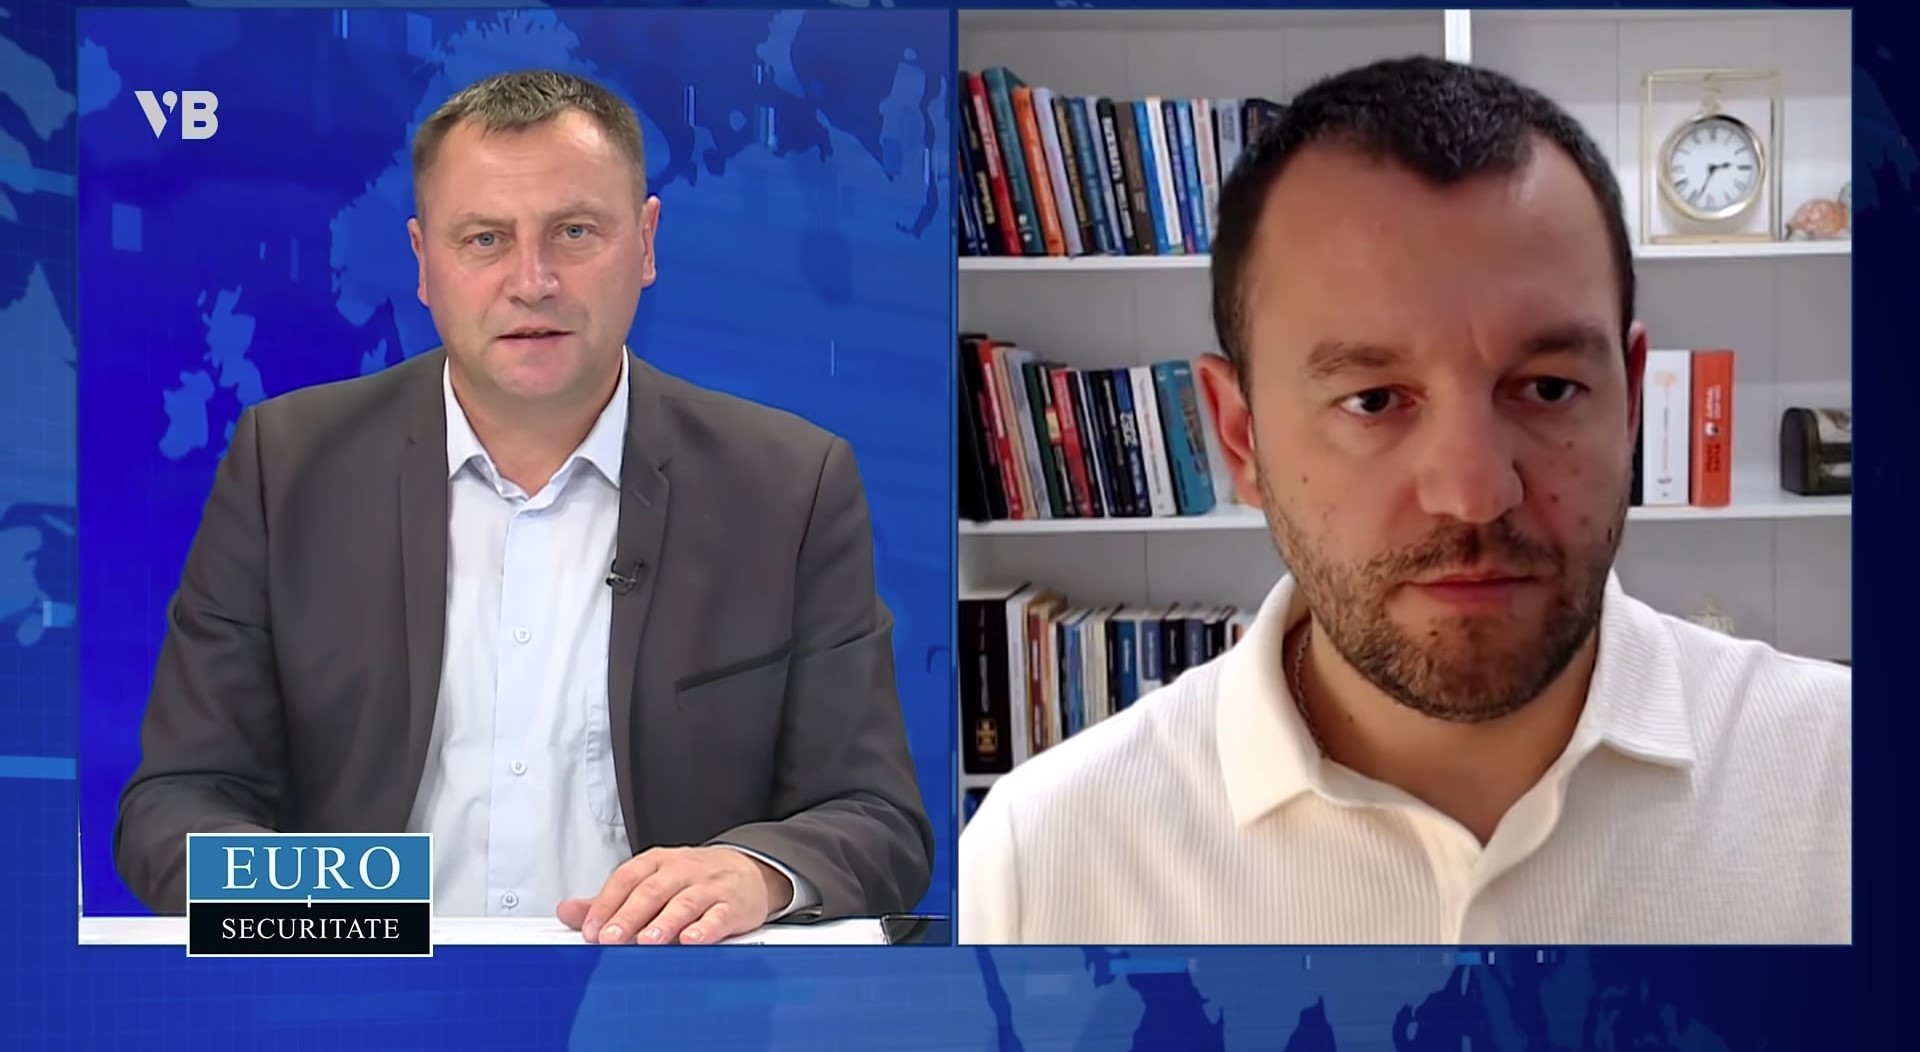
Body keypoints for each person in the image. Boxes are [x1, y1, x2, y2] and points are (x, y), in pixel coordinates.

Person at [957, 56, 1850, 945]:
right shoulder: (1041, 869)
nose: (1474, 494)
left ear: (1630, 402)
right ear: (1240, 438)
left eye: (1547, 389)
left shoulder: (1850, 783)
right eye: (1374, 400)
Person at [114, 69, 934, 945]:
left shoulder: (788, 486)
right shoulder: (288, 467)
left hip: (663, 993)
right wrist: (337, 923)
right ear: (423, 261)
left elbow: (877, 820)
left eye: (574, 232)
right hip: (365, 983)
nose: (532, 280)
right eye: (484, 239)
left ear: (646, 243)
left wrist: (757, 872)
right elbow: (176, 802)